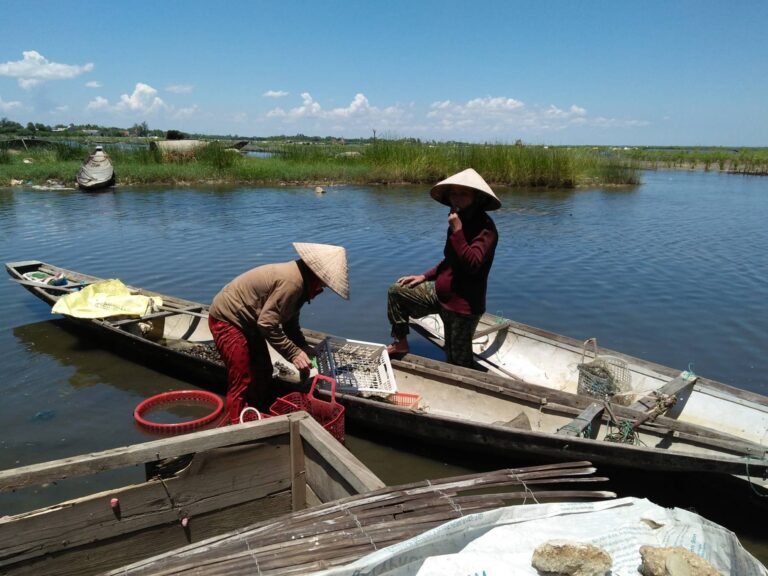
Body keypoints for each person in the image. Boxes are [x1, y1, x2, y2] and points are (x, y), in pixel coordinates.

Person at [209, 242, 349, 424]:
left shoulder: (301, 280)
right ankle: (237, 425)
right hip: (228, 319)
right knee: (242, 379)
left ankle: (255, 411)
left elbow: (289, 322)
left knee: (264, 370)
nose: (323, 289)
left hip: (251, 322)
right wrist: (293, 353)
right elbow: (267, 324)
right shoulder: (293, 283)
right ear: (316, 275)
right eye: (324, 283)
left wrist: (302, 346)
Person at [386, 168, 500, 368]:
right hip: (439, 293)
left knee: (458, 364)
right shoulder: (458, 221)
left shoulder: (486, 229)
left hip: (463, 308)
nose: (457, 198)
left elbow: (472, 264)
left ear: (477, 198)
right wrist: (424, 276)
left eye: (463, 193)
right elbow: (450, 260)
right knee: (397, 292)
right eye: (454, 193)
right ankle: (401, 343)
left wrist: (457, 231)